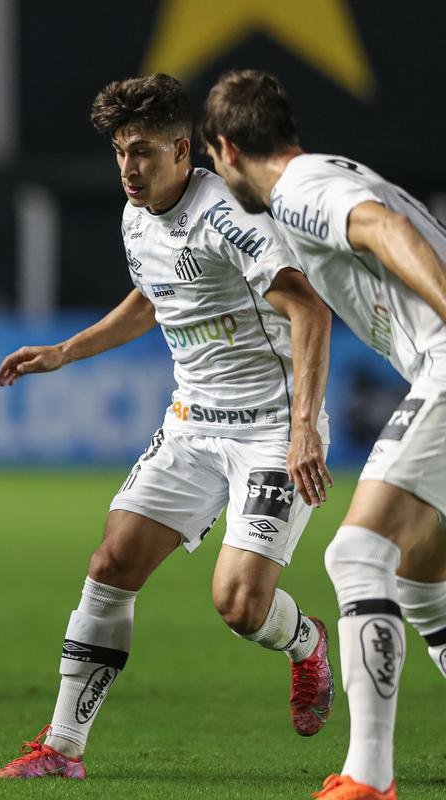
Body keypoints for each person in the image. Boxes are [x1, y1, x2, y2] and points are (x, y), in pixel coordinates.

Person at [0, 73, 336, 781]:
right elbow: (152, 298)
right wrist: (65, 351)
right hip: (191, 427)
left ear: (182, 150)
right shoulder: (136, 214)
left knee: (239, 604)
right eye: (120, 152)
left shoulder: (230, 215)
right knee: (111, 564)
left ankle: (306, 643)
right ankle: (62, 749)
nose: (128, 168)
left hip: (270, 430)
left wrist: (303, 428)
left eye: (142, 151)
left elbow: (309, 310)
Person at [201, 68, 446, 800]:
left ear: (225, 148)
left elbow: (383, 228)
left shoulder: (300, 190)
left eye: (214, 160)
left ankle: (368, 779)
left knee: (357, 553)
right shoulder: (324, 175)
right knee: (422, 581)